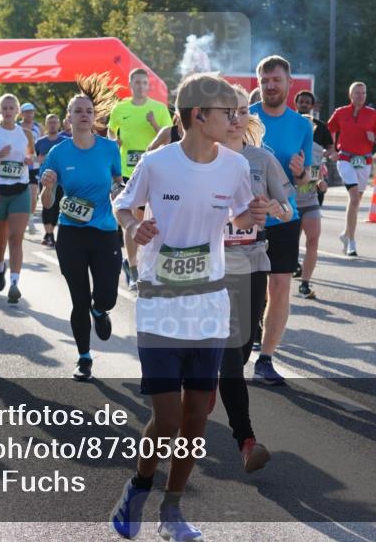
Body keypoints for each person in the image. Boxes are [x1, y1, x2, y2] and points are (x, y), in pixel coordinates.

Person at [109, 72, 266, 541]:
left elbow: (238, 217)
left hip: (209, 302)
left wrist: (251, 215)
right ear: (199, 116)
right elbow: (123, 205)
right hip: (161, 301)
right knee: (170, 417)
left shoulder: (235, 166)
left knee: (197, 416)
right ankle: (138, 486)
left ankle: (172, 511)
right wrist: (132, 228)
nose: (235, 120)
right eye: (227, 113)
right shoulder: (157, 164)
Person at [219, 83, 292, 472]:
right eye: (228, 110)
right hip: (208, 269)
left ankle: (218, 388)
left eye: (242, 111)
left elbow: (286, 206)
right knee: (230, 357)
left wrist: (274, 207)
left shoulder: (262, 160)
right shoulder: (201, 158)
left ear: (249, 117)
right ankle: (246, 439)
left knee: (244, 347)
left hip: (252, 263)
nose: (235, 118)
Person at [40, 77, 123, 381]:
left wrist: (118, 192)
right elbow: (47, 201)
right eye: (78, 111)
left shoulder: (109, 149)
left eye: (88, 110)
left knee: (107, 295)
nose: (84, 115)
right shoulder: (58, 154)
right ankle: (84, 357)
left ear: (94, 117)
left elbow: (117, 182)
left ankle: (101, 311)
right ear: (68, 119)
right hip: (71, 234)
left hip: (104, 231)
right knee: (79, 299)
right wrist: (48, 188)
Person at [249, 55, 312, 385]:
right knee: (249, 290)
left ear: (289, 84)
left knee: (280, 286)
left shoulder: (302, 125)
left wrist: (303, 174)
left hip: (285, 218)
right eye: (265, 80)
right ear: (258, 84)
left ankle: (266, 359)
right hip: (247, 218)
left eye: (276, 79)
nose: (270, 85)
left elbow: (307, 182)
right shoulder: (245, 118)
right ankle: (247, 336)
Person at [108, 68, 173, 290]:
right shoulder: (120, 108)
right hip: (128, 170)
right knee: (133, 217)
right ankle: (134, 267)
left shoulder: (159, 108)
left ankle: (141, 264)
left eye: (144, 83)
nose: (141, 86)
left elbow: (168, 138)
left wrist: (153, 123)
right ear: (130, 84)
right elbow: (110, 133)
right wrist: (114, 142)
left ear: (148, 85)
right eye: (137, 82)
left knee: (149, 220)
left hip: (154, 172)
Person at [327, 82, 376, 256]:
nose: (361, 95)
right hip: (345, 158)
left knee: (356, 201)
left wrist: (374, 138)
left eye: (364, 93)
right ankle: (352, 242)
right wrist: (332, 150)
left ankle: (346, 234)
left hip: (365, 160)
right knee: (354, 198)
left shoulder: (373, 114)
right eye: (358, 93)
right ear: (350, 95)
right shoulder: (341, 112)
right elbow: (329, 129)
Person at [0, 94, 36, 304]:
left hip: (20, 190)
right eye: (5, 108)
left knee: (16, 238)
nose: (8, 111)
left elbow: (32, 156)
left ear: (17, 111)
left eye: (11, 108)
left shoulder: (25, 133)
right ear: (0, 111)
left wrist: (29, 159)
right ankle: (0, 266)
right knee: (0, 241)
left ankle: (15, 284)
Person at [292, 91, 330, 298]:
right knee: (291, 244)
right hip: (290, 201)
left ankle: (305, 283)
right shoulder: (290, 146)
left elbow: (318, 167)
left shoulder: (317, 147)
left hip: (310, 199)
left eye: (312, 127)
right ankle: (292, 265)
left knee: (313, 240)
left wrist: (320, 179)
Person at [34, 113, 70, 247]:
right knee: (46, 206)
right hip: (45, 178)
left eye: (55, 122)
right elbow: (34, 158)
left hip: (61, 179)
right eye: (50, 122)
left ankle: (51, 233)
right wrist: (40, 159)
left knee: (56, 206)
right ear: (46, 124)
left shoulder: (65, 141)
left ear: (59, 124)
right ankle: (48, 233)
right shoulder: (40, 142)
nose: (53, 124)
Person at [20, 102, 43, 234]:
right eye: (27, 112)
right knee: (21, 194)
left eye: (31, 112)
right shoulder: (17, 127)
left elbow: (43, 144)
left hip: (34, 165)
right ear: (22, 113)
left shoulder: (38, 127)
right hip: (19, 165)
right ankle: (21, 221)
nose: (29, 114)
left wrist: (40, 157)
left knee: (33, 194)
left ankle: (30, 220)